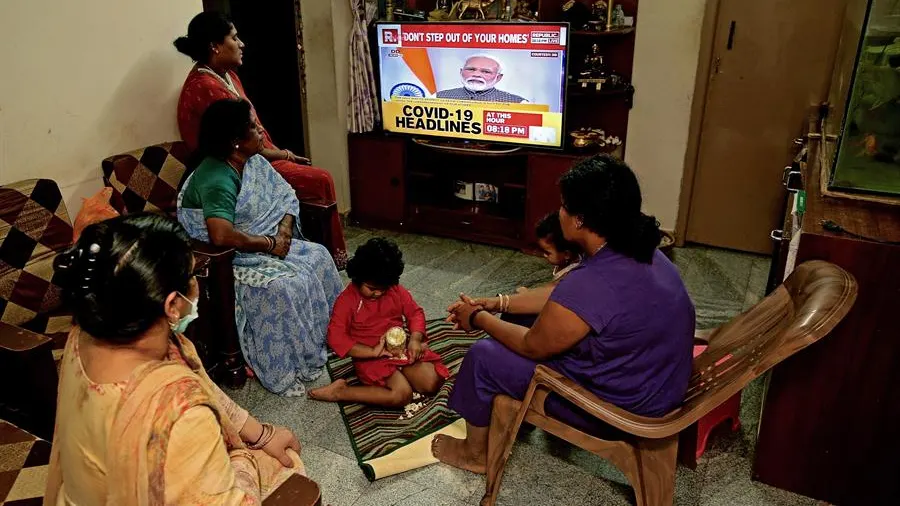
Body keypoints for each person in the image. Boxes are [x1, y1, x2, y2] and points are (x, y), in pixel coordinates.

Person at [433, 154, 695, 474]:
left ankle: (474, 456)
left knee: (483, 356)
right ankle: (509, 411)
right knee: (515, 318)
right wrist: (496, 303)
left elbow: (533, 345)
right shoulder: (640, 250)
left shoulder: (593, 280)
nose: (559, 212)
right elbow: (562, 299)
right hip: (655, 382)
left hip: (621, 409)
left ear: (579, 220)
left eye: (563, 205)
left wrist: (477, 320)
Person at [44, 213, 304, 504]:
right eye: (192, 275)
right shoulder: (180, 415)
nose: (196, 285)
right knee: (289, 466)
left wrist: (262, 435)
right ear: (172, 304)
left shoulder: (83, 335)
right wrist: (244, 460)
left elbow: (205, 388)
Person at [177, 98, 342, 396]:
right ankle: (287, 361)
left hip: (268, 240)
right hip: (232, 258)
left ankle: (332, 336)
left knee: (318, 256)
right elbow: (221, 235)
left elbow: (284, 196)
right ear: (235, 142)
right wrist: (269, 244)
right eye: (253, 128)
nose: (260, 132)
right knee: (284, 286)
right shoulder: (217, 178)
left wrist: (284, 232)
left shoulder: (250, 161)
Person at [174, 11, 348, 268]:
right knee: (319, 180)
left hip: (250, 155)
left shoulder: (227, 74)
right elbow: (240, 141)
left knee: (303, 184)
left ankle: (309, 250)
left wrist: (281, 153)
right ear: (215, 46)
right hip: (235, 159)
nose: (241, 43)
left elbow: (253, 133)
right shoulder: (204, 87)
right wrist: (285, 155)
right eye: (234, 37)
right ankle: (334, 258)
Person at [309, 238, 449, 407]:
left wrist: (415, 340)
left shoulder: (394, 290)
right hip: (371, 359)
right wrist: (372, 352)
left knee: (432, 383)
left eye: (383, 289)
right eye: (372, 288)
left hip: (400, 350)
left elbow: (415, 313)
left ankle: (401, 374)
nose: (378, 294)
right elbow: (336, 337)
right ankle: (342, 391)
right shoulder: (347, 300)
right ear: (358, 278)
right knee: (402, 396)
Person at [436, 55, 528, 103]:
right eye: (471, 69)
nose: (476, 74)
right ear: (461, 72)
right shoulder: (438, 97)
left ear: (498, 77)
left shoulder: (518, 102)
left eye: (485, 71)